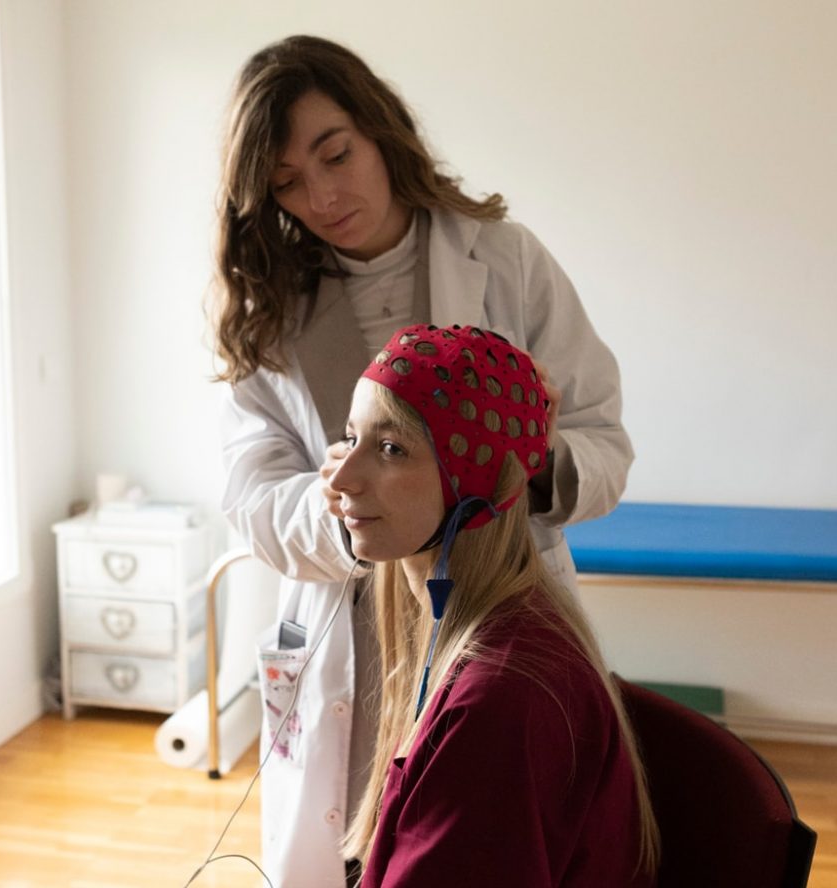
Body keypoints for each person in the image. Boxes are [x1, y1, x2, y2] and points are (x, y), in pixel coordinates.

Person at [214, 35, 634, 887]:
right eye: (287, 182)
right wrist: (355, 505)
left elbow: (604, 445)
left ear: (380, 130)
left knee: (481, 835)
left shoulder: (504, 260)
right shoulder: (268, 309)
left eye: (336, 154)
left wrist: (517, 461)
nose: (323, 196)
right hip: (345, 633)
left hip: (490, 616)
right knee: (354, 846)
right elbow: (249, 497)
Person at [334, 324, 657, 886]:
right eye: (350, 437)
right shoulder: (478, 632)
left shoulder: (498, 702)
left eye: (390, 449)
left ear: (482, 486)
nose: (342, 477)